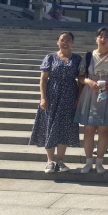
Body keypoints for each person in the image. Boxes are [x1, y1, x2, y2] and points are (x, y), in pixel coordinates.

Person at [29, 32, 84, 174]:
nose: (65, 42)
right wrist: (43, 98)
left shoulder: (78, 59)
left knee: (64, 127)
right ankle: (50, 161)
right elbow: (43, 79)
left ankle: (60, 160)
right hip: (52, 96)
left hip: (69, 96)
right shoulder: (50, 57)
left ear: (72, 42)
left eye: (68, 40)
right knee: (49, 125)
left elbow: (81, 80)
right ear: (57, 42)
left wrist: (78, 98)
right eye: (62, 40)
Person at [75, 27, 108, 174]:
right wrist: (89, 81)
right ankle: (88, 161)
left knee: (103, 130)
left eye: (107, 36)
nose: (103, 39)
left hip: (107, 94)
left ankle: (100, 162)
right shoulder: (89, 56)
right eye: (100, 36)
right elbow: (80, 76)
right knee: (88, 130)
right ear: (96, 39)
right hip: (90, 94)